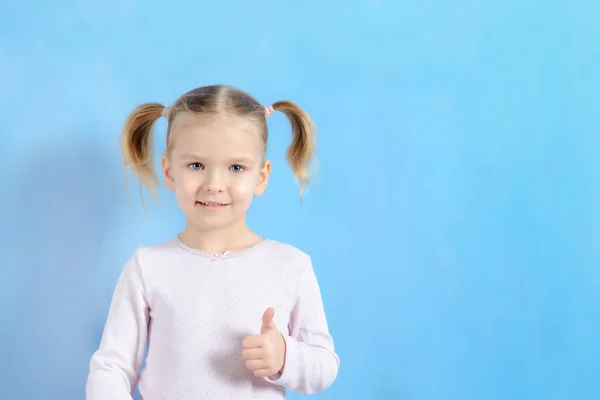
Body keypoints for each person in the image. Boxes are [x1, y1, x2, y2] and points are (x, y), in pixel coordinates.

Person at [85, 85, 339, 400]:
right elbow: (112, 367)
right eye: (196, 166)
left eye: (236, 168)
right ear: (169, 170)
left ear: (261, 177)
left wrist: (286, 356)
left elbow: (325, 364)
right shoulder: (147, 267)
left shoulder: (291, 265)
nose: (214, 184)